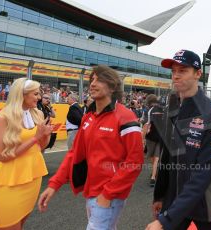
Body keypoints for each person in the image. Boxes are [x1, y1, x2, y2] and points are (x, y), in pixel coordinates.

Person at [37, 65, 144, 230]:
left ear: (113, 86)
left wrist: (108, 194)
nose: (92, 84)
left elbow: (135, 162)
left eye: (99, 79)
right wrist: (54, 184)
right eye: (91, 79)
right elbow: (73, 154)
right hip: (91, 192)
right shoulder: (88, 117)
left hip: (109, 195)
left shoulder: (126, 117)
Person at [146, 49, 211, 230]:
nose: (176, 76)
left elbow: (204, 171)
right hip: (174, 197)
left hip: (206, 201)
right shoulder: (171, 107)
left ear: (198, 74)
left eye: (182, 71)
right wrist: (160, 195)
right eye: (174, 71)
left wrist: (165, 220)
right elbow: (167, 155)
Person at [0, 78, 52, 229]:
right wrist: (35, 137)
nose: (39, 97)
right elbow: (2, 156)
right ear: (22, 94)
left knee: (20, 225)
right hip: (9, 181)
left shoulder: (38, 114)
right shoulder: (2, 118)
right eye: (35, 94)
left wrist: (45, 135)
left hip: (33, 177)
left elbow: (41, 146)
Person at [142, 94, 164, 187]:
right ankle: (154, 173)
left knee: (152, 157)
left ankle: (153, 176)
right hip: (161, 137)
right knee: (157, 157)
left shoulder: (149, 110)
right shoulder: (163, 109)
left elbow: (146, 125)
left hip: (151, 137)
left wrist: (142, 138)